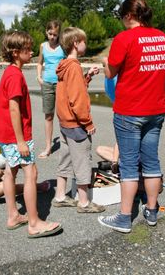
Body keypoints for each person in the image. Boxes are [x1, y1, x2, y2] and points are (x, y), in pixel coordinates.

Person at [98, 0, 165, 233]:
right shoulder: (163, 38)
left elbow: (111, 73)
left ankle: (124, 217)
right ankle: (151, 211)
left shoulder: (124, 38)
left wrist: (103, 63)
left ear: (129, 15)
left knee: (129, 165)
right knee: (151, 161)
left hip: (130, 110)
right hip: (156, 109)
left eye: (121, 16)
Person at [0, 31, 62, 238]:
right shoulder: (15, 75)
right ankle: (34, 222)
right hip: (15, 135)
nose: (32, 51)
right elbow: (14, 109)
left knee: (10, 172)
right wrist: (21, 140)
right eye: (27, 49)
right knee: (30, 173)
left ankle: (13, 215)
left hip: (4, 133)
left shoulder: (10, 72)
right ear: (15, 53)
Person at [52, 27, 105, 214]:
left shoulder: (64, 65)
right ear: (76, 43)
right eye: (84, 41)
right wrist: (88, 123)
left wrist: (88, 77)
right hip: (76, 124)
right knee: (82, 160)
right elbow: (77, 99)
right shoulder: (74, 67)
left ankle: (59, 196)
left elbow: (70, 91)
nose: (86, 44)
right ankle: (84, 202)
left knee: (65, 158)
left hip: (65, 122)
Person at [36, 20, 65, 159]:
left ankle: (66, 145)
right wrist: (39, 77)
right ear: (46, 32)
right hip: (47, 83)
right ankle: (48, 147)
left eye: (55, 34)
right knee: (48, 115)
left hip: (61, 83)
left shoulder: (63, 46)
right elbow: (39, 63)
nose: (52, 37)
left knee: (63, 115)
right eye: (50, 34)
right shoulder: (43, 46)